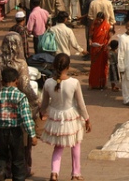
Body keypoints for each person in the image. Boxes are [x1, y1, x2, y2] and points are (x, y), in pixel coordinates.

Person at [40, 53, 91, 181]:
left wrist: (41, 113)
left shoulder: (48, 83)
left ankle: (54, 172)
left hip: (56, 116)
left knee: (58, 146)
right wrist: (87, 119)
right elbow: (81, 104)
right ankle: (76, 174)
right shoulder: (74, 82)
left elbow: (44, 103)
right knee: (76, 144)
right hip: (71, 116)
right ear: (68, 66)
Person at [0, 67, 38, 181]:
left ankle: (1, 172)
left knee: (0, 156)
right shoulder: (21, 97)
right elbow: (26, 118)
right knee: (18, 159)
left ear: (2, 81)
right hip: (16, 132)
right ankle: (18, 178)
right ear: (17, 81)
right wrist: (32, 135)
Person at [88, 12, 113, 90]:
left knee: (103, 66)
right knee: (94, 67)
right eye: (97, 20)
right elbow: (90, 36)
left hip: (103, 49)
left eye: (100, 20)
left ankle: (102, 84)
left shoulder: (107, 27)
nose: (98, 21)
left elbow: (110, 37)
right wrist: (90, 42)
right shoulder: (93, 25)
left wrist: (106, 45)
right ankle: (94, 83)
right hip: (95, 49)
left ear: (103, 19)